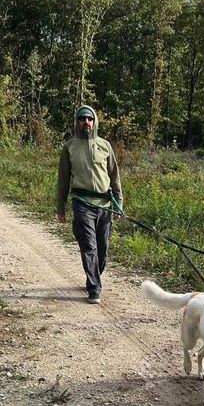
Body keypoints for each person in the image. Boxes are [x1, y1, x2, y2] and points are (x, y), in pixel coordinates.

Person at [56, 105, 123, 304]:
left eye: (89, 119)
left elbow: (115, 176)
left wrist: (118, 201)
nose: (86, 122)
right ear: (77, 122)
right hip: (82, 203)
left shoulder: (105, 145)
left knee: (103, 248)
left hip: (104, 204)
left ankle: (93, 275)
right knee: (89, 245)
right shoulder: (69, 147)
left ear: (94, 122)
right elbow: (63, 179)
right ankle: (94, 288)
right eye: (82, 119)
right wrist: (61, 208)